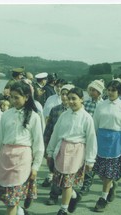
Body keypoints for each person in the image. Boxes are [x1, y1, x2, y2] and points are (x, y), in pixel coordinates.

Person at [0, 81, 44, 215]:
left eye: (17, 97)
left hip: (22, 160)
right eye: (11, 97)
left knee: (12, 199)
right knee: (9, 198)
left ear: (26, 97)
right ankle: (19, 211)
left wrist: (35, 167)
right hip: (6, 158)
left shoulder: (34, 117)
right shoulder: (6, 114)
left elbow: (39, 145)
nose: (13, 100)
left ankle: (17, 209)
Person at [46, 87, 97, 215]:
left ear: (81, 99)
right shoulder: (64, 115)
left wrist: (90, 160)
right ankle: (74, 196)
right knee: (62, 182)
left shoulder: (87, 118)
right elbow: (55, 133)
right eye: (69, 99)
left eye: (74, 99)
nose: (71, 101)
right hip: (62, 150)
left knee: (67, 182)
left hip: (76, 152)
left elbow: (91, 139)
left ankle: (63, 209)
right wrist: (50, 151)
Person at [92, 80, 121, 212]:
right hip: (101, 141)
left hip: (115, 142)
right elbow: (95, 125)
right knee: (100, 172)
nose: (110, 92)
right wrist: (92, 142)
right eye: (108, 90)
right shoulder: (101, 105)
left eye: (113, 90)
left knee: (108, 173)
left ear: (119, 92)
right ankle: (112, 184)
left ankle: (103, 198)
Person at [42, 84, 75, 205]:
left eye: (67, 94)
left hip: (71, 147)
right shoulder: (55, 110)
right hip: (55, 144)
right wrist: (45, 144)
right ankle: (54, 195)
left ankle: (70, 193)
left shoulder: (75, 112)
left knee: (68, 172)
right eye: (63, 94)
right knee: (56, 170)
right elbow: (49, 128)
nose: (65, 97)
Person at [79, 79, 105, 196]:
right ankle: (85, 184)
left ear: (99, 92)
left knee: (94, 161)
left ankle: (109, 183)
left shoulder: (103, 105)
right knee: (84, 159)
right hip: (84, 135)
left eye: (94, 90)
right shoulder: (85, 103)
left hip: (97, 136)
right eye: (90, 89)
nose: (91, 92)